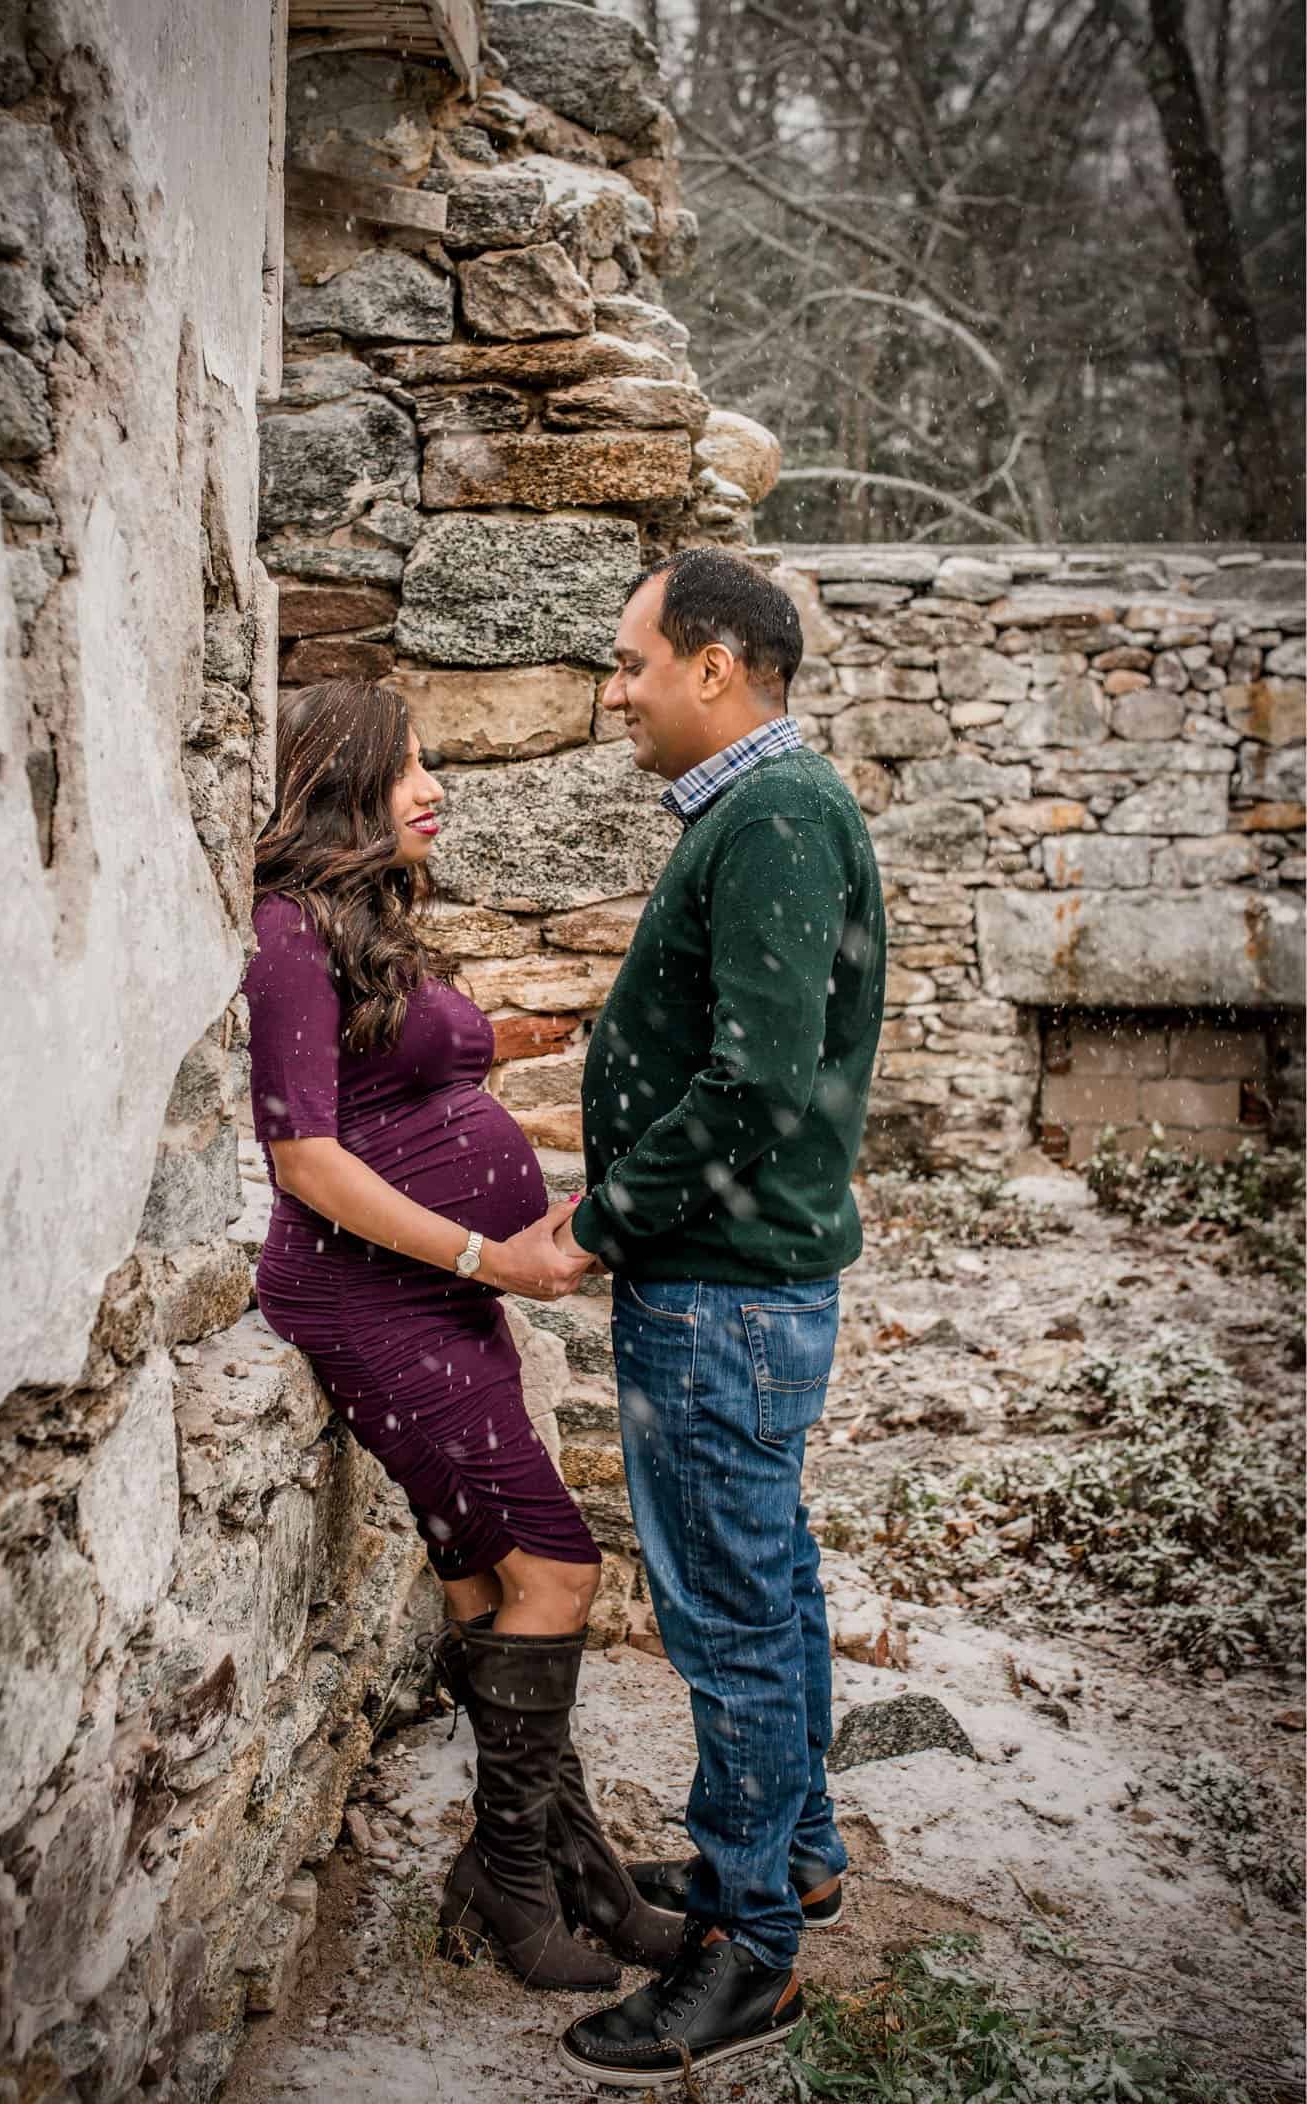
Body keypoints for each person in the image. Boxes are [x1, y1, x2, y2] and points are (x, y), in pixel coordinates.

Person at [243, 680, 680, 1995]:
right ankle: (511, 1877)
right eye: (407, 770)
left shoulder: (368, 923)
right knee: (559, 1566)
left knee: (497, 1585)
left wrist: (512, 1224)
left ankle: (570, 1873)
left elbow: (412, 1112)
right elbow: (306, 1158)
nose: (433, 789)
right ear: (341, 787)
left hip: (442, 1293)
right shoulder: (285, 934)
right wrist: (489, 1249)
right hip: (364, 1295)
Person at [531, 551, 888, 2090]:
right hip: (729, 1289)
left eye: (630, 663)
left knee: (731, 1620)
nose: (615, 693)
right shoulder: (758, 813)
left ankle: (749, 1953)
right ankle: (793, 1855)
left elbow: (755, 1080)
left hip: (722, 1297)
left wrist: (602, 1223)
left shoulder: (782, 818)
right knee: (774, 1588)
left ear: (716, 666)